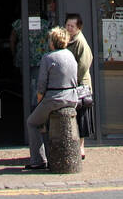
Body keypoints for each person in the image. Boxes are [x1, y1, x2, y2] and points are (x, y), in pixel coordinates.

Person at [25, 26, 78, 170]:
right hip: (72, 98)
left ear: (52, 42)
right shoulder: (70, 55)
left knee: (32, 122)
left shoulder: (48, 58)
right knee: (45, 121)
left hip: (55, 98)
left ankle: (38, 160)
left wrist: (39, 101)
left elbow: (41, 86)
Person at [65, 13, 94, 158]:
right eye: (67, 25)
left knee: (81, 117)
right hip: (72, 85)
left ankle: (81, 147)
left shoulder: (80, 42)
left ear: (78, 27)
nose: (69, 28)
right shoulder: (67, 39)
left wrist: (72, 80)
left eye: (72, 26)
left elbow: (84, 64)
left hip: (80, 85)